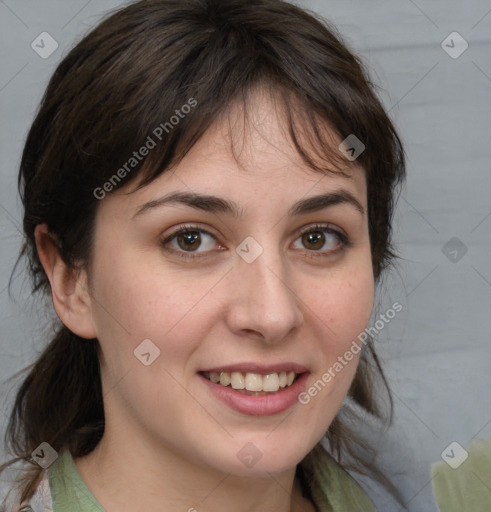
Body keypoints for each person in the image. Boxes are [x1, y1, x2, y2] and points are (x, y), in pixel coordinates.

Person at [0, 0, 414, 510]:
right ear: (70, 279)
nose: (272, 314)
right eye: (190, 239)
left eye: (317, 238)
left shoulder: (405, 487)